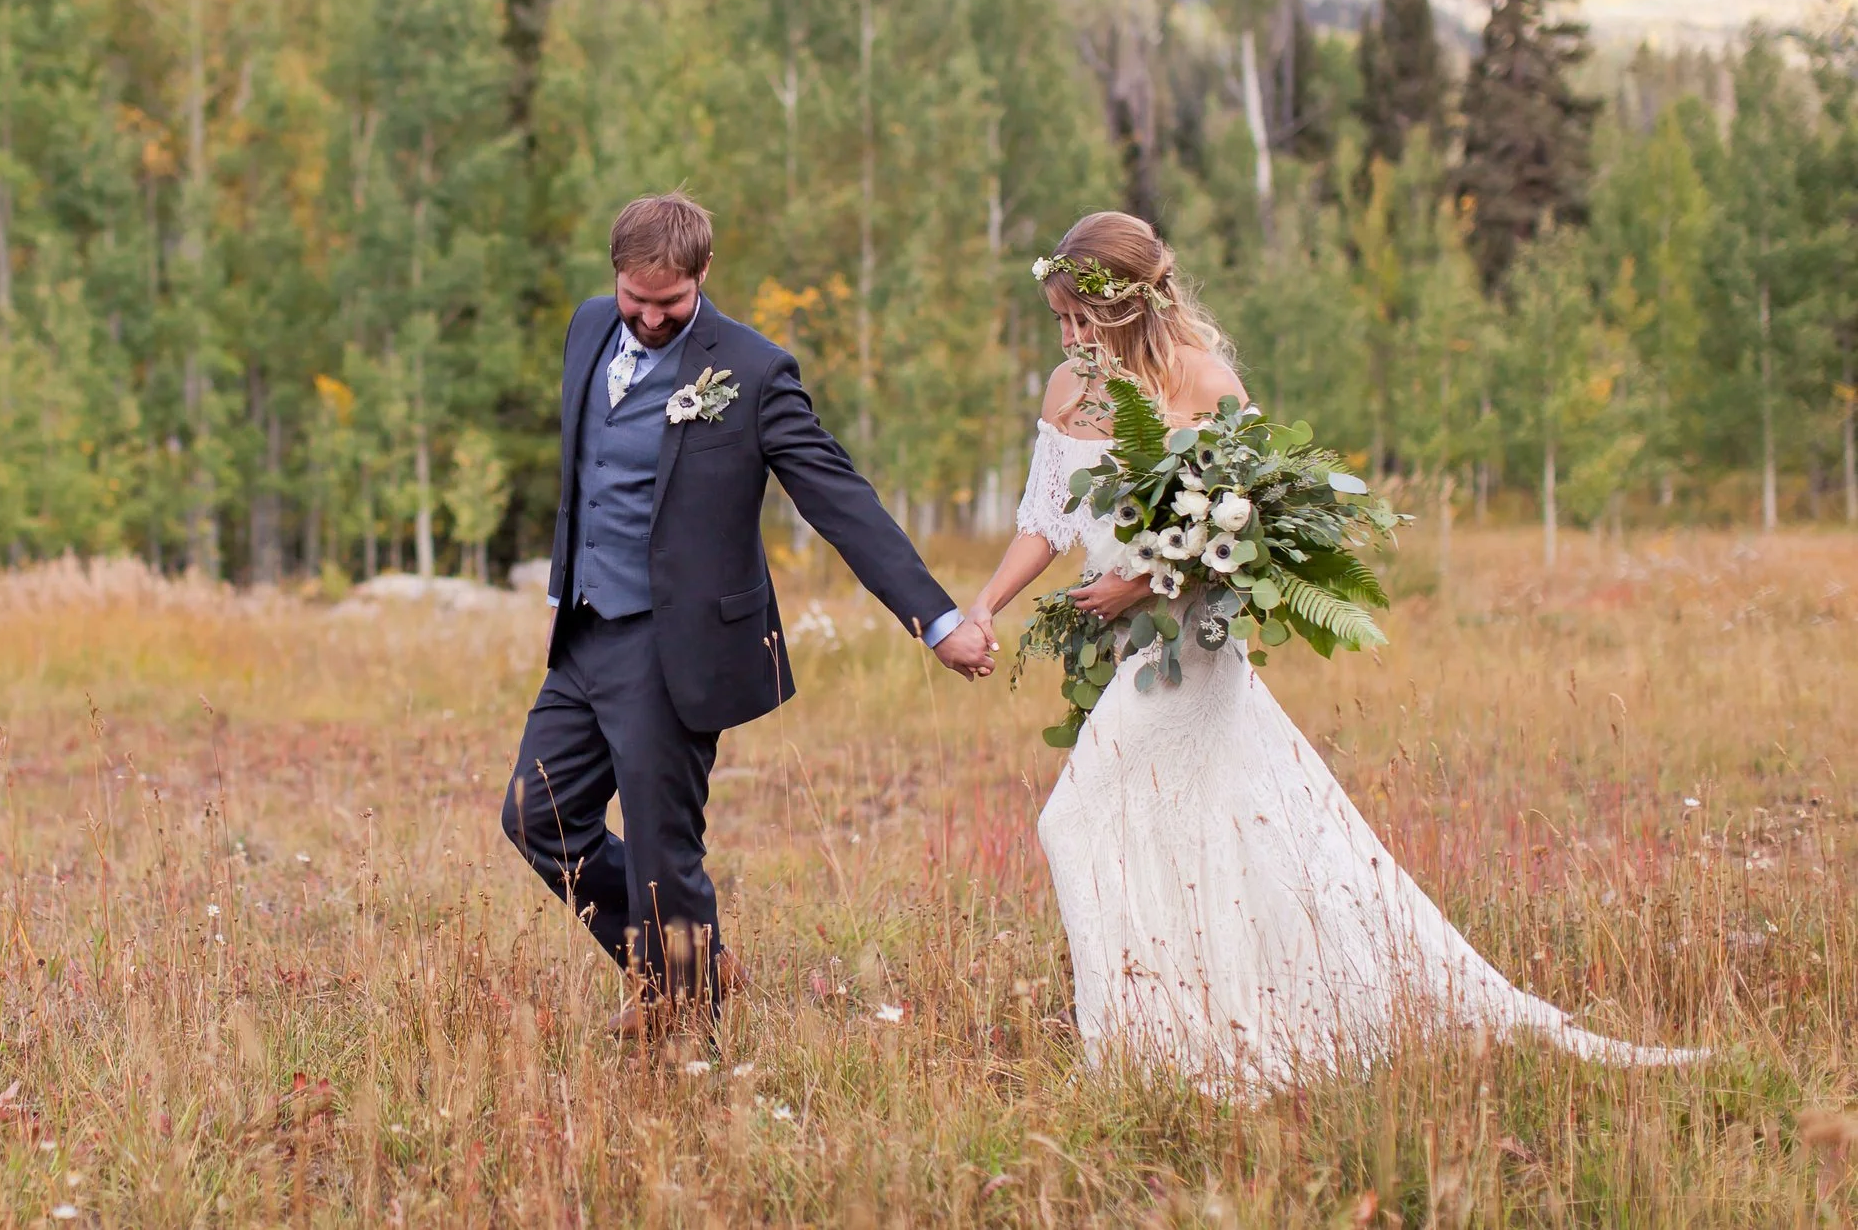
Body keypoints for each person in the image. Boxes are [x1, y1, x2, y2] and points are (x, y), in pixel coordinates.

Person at [964, 210, 1698, 1087]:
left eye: (1085, 319)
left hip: (1190, 645)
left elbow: (1249, 523)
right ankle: (1189, 1017)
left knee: (1074, 815)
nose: (1072, 337)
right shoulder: (1065, 390)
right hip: (1129, 646)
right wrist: (984, 603)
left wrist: (1144, 581)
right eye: (1060, 321)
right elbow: (1047, 520)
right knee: (1196, 828)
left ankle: (1123, 1048)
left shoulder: (1204, 380)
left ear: (1134, 305)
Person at [502, 192, 995, 1038]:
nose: (651, 318)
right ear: (614, 276)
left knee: (664, 849)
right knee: (535, 815)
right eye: (636, 298)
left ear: (704, 275)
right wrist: (562, 578)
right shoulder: (587, 327)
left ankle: (684, 1017)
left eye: (671, 302)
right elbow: (581, 469)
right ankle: (690, 965)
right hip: (584, 627)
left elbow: (839, 499)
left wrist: (938, 620)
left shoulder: (756, 370)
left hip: (675, 644)